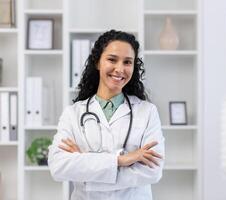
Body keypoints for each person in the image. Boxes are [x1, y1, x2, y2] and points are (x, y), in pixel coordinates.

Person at [48, 30, 165, 200]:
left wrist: (86, 169)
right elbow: (58, 167)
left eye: (127, 62)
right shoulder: (73, 114)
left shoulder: (147, 112)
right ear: (97, 62)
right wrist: (121, 161)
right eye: (112, 59)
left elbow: (153, 171)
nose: (120, 69)